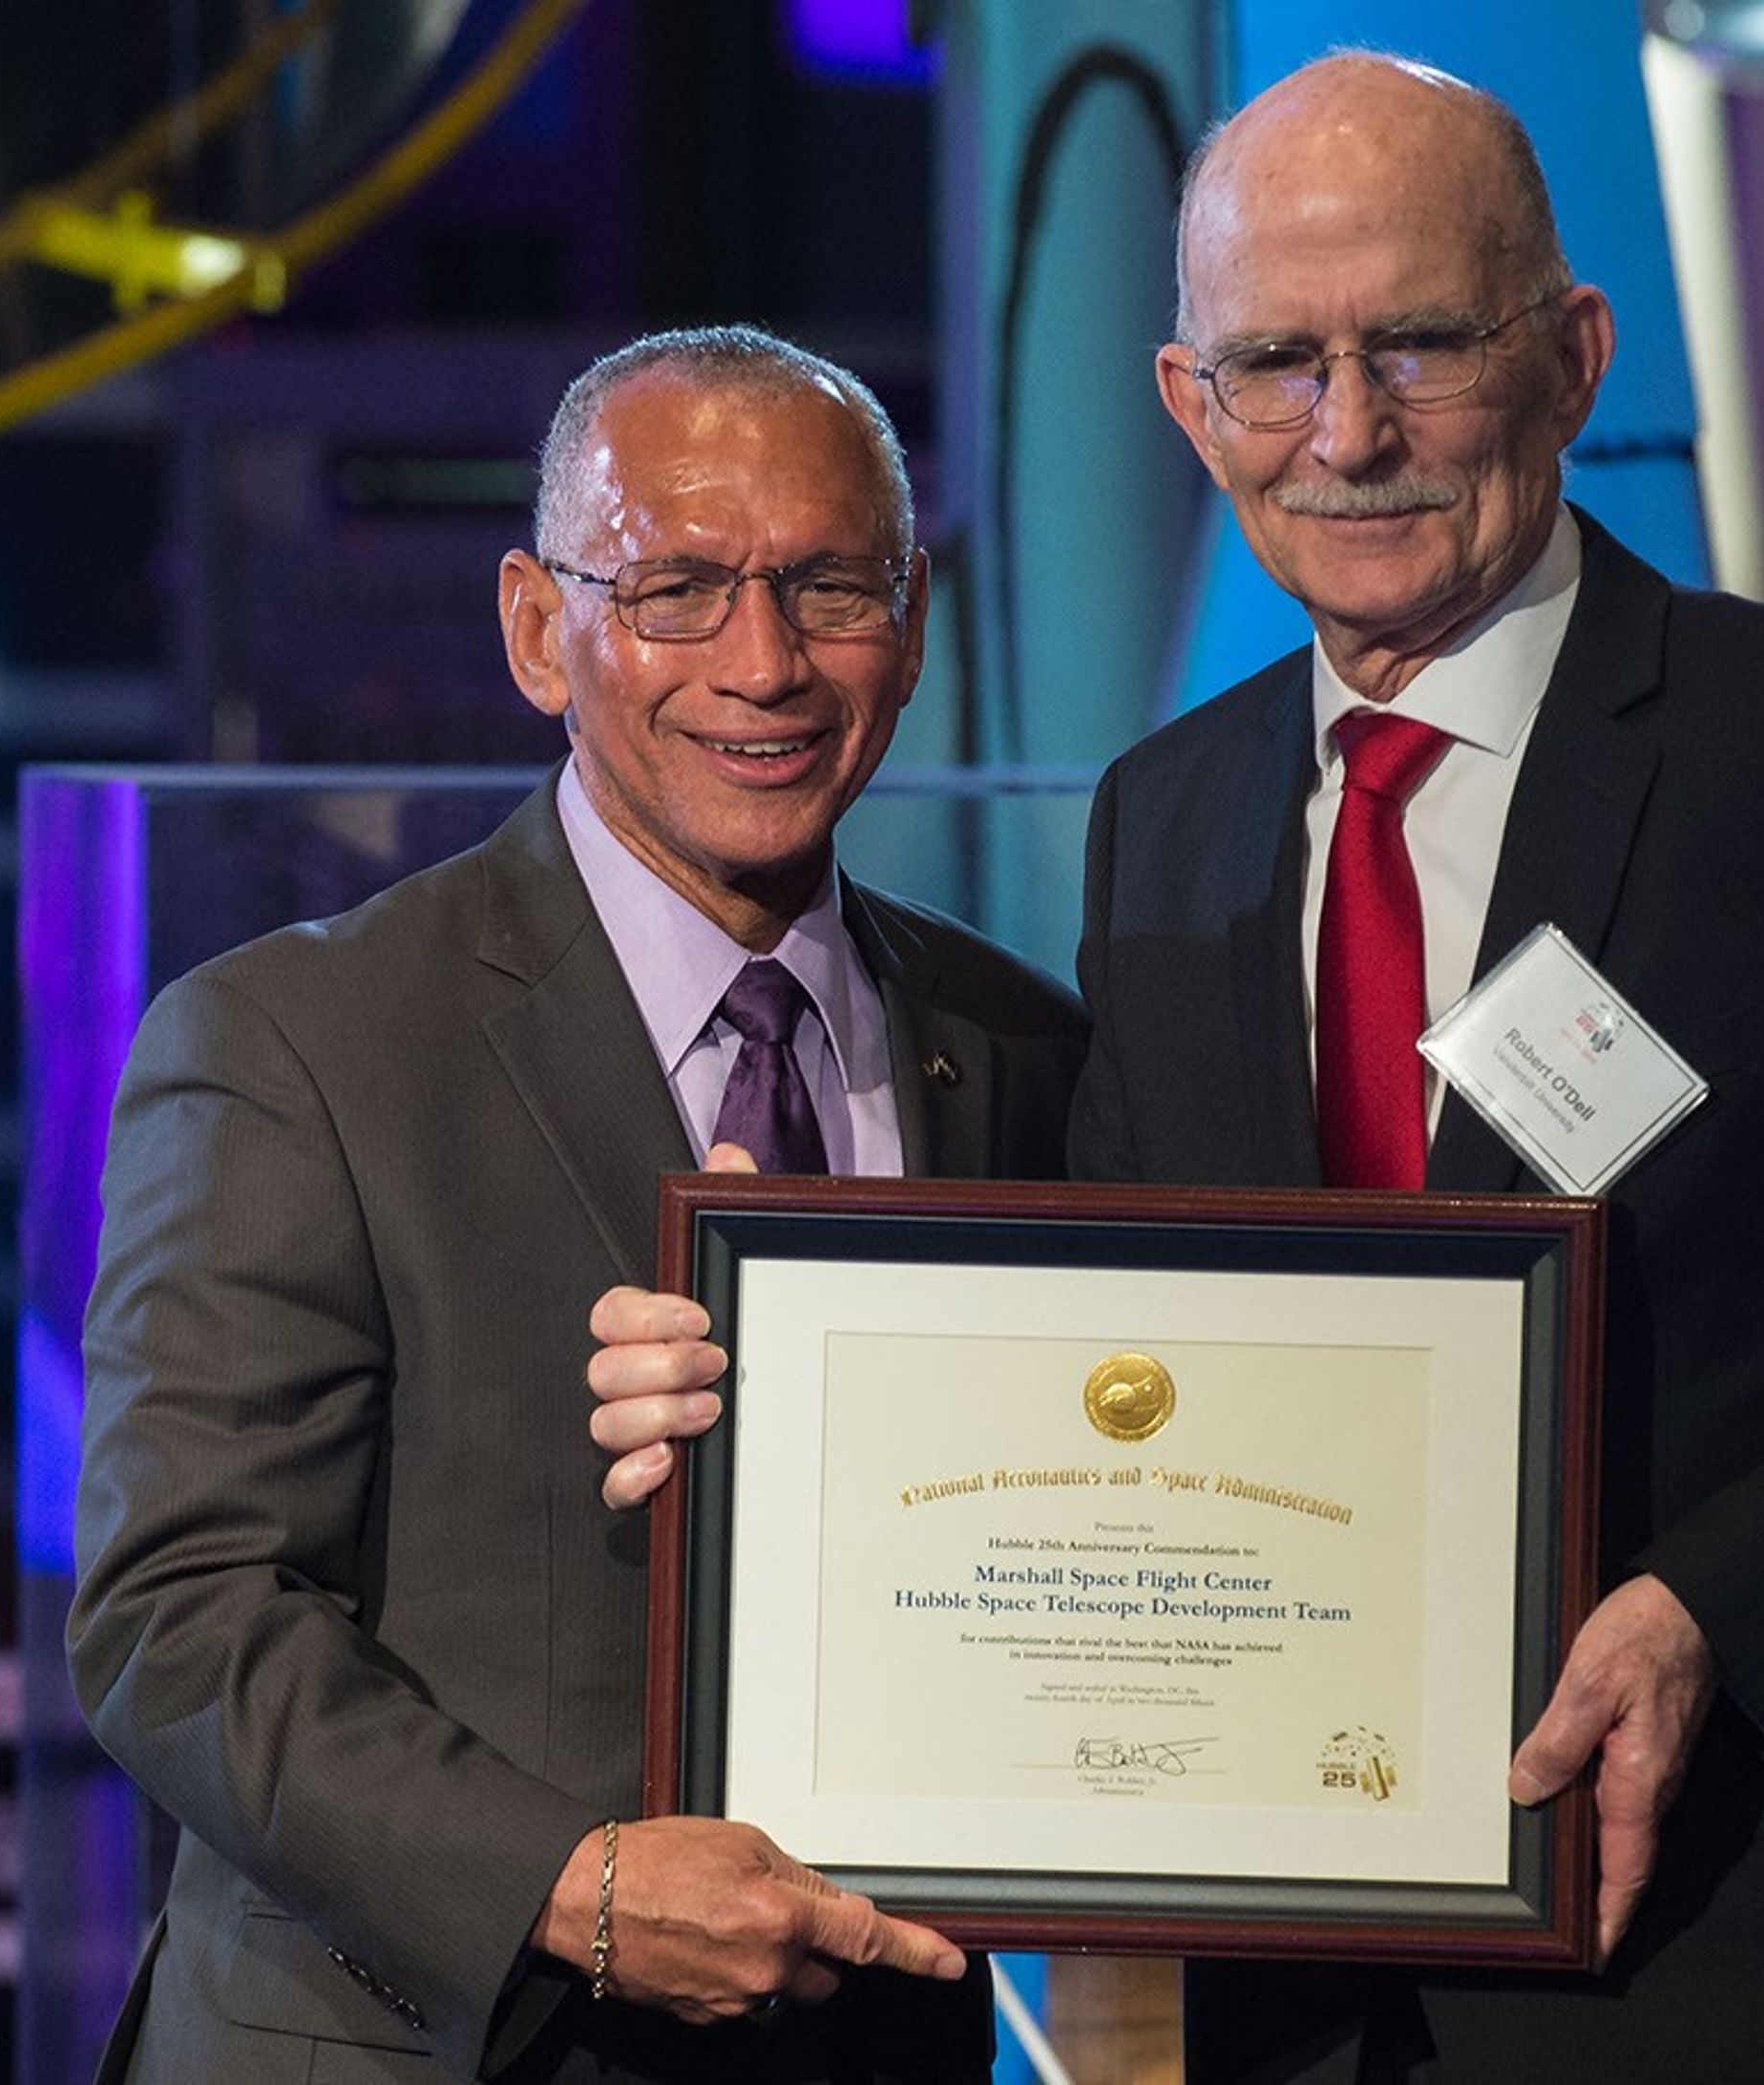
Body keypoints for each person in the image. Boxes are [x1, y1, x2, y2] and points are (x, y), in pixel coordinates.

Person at [594, 53, 1764, 2083]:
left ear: (1573, 357)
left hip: (1762, 1966)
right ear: (1182, 403)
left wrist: (1716, 1616)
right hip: (1310, 2004)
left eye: (1419, 343)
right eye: (1275, 363)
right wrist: (766, 1405)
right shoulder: (1172, 811)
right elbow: (1125, 1347)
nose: (1349, 434)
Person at [69, 326, 1085, 2083]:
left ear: (914, 624)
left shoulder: (1020, 1051)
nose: (764, 662)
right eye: (679, 587)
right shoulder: (292, 1044)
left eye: (831, 586)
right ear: (542, 628)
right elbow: (179, 1618)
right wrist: (576, 1886)